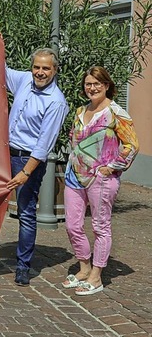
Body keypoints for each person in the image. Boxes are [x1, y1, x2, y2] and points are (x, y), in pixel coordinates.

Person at [0, 48, 69, 286]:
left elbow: (43, 145)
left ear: (55, 70)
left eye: (46, 68)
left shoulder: (56, 102)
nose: (40, 72)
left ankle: (23, 267)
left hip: (28, 161)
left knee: (26, 214)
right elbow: (0, 71)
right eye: (36, 67)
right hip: (4, 153)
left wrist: (26, 172)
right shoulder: (25, 80)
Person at [61, 67, 138, 295]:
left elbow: (131, 145)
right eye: (88, 84)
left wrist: (111, 167)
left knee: (100, 226)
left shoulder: (116, 113)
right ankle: (84, 267)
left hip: (101, 178)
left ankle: (96, 276)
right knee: (72, 225)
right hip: (74, 175)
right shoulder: (80, 111)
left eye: (97, 83)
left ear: (106, 85)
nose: (91, 88)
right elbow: (73, 139)